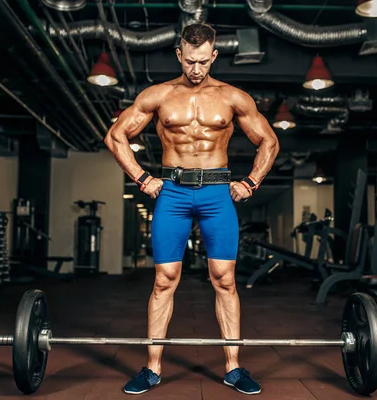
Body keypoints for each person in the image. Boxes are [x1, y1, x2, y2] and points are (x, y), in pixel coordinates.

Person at [104, 22, 280, 396]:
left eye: (203, 61)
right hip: (173, 194)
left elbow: (269, 140)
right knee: (164, 280)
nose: (196, 69)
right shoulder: (159, 95)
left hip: (217, 194)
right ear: (179, 55)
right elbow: (116, 135)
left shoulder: (233, 97)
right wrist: (141, 177)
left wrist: (250, 182)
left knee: (225, 279)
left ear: (213, 56)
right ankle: (151, 369)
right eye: (190, 60)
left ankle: (234, 368)